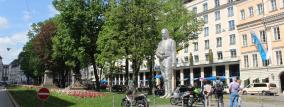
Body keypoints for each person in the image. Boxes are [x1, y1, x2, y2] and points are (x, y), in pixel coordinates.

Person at [155, 28, 176, 98]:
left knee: (168, 76)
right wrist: (159, 55)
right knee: (164, 77)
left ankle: (170, 93)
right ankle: (166, 93)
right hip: (161, 60)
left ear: (167, 33)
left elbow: (173, 52)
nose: (163, 35)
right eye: (162, 33)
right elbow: (156, 52)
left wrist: (173, 62)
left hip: (168, 58)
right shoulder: (160, 42)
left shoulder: (171, 41)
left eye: (164, 33)